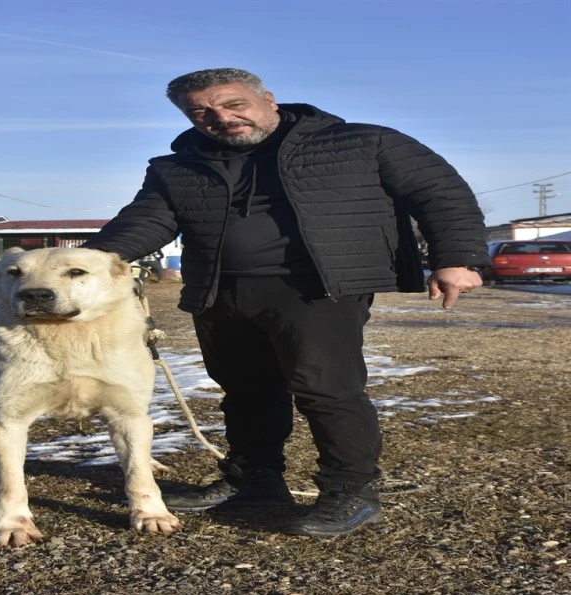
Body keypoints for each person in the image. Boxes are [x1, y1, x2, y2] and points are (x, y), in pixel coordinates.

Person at [82, 68, 491, 537]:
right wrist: (75, 268)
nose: (221, 117)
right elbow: (146, 221)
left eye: (233, 104)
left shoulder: (361, 141)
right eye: (201, 112)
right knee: (245, 388)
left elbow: (439, 192)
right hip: (221, 289)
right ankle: (255, 481)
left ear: (268, 99)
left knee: (326, 388)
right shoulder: (178, 166)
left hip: (318, 286)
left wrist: (457, 258)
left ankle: (352, 491)